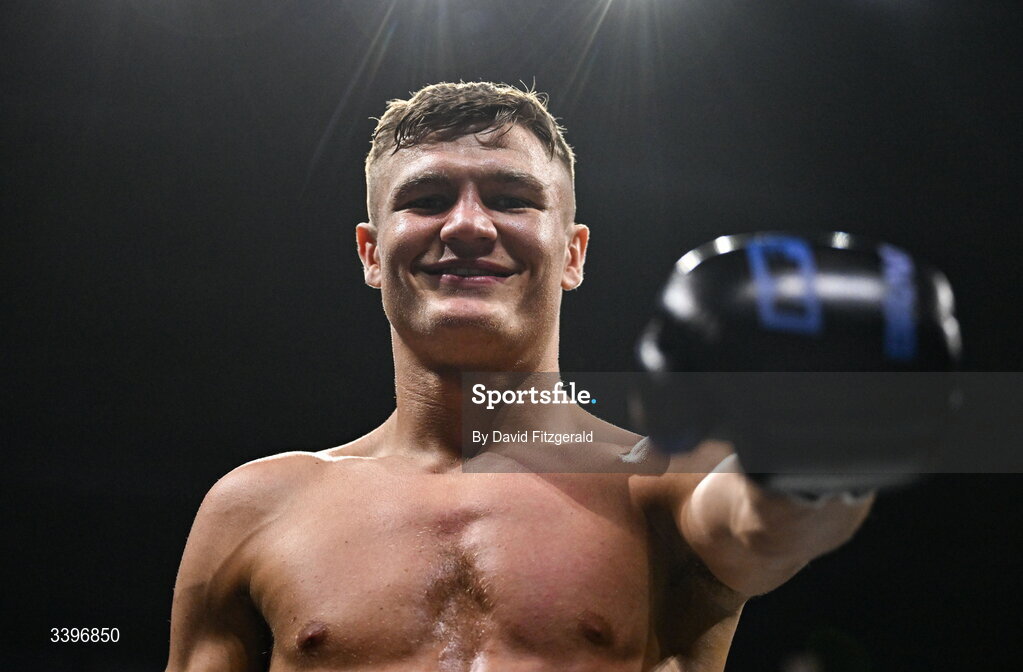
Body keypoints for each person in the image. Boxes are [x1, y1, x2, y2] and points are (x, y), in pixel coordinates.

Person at [165, 82, 873, 672]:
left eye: (511, 198)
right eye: (427, 197)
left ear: (572, 253)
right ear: (371, 253)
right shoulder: (256, 507)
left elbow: (770, 526)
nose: (468, 225)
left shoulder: (660, 485)